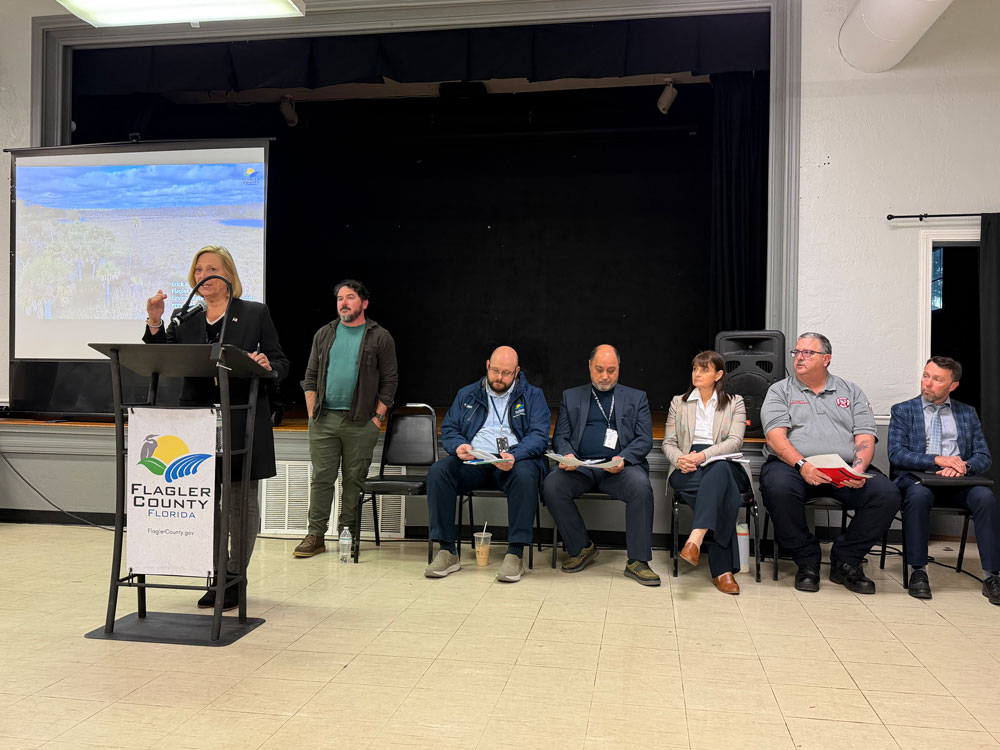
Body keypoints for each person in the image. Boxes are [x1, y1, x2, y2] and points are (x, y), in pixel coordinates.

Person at [144, 244, 289, 610]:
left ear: (228, 277)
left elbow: (279, 361)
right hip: (196, 424)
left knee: (240, 503)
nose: (202, 276)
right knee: (205, 502)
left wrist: (264, 364)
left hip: (242, 418)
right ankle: (216, 576)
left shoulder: (254, 314)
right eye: (197, 271)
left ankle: (235, 576)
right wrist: (156, 322)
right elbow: (161, 355)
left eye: (211, 269)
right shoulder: (185, 319)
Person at [759, 332, 899, 594]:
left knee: (886, 493)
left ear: (827, 359)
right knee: (777, 487)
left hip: (844, 467)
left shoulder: (851, 391)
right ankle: (807, 562)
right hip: (794, 467)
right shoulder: (780, 391)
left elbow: (865, 437)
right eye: (796, 352)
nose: (799, 357)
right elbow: (776, 438)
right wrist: (802, 465)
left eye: (807, 353)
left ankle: (846, 561)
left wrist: (857, 469)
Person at [424, 346, 550, 583]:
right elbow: (450, 428)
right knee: (439, 472)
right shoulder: (467, 394)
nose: (499, 378)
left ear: (517, 372)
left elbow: (539, 435)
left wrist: (515, 454)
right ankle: (447, 550)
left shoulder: (533, 395)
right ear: (487, 366)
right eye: (495, 371)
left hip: (512, 461)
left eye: (506, 373)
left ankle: (515, 553)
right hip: (475, 459)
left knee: (526, 476)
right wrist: (459, 445)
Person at [295, 280, 398, 558]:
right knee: (322, 478)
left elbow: (390, 381)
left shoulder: (380, 336)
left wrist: (377, 417)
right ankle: (315, 535)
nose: (343, 303)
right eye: (340, 298)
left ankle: (347, 534)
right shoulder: (324, 334)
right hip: (324, 419)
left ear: (364, 303)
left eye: (350, 297)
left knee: (354, 480)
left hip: (362, 422)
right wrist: (312, 414)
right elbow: (311, 376)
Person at [543, 344, 660, 586]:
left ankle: (638, 561)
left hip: (619, 468)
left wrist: (623, 458)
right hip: (581, 467)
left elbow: (644, 439)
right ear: (589, 367)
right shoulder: (571, 396)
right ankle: (581, 547)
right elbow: (561, 437)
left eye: (611, 370)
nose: (605, 376)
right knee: (552, 485)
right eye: (599, 370)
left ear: (619, 369)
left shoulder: (636, 397)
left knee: (640, 487)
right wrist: (568, 456)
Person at [888, 356, 1000, 603]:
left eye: (937, 379)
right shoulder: (903, 410)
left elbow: (983, 456)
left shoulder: (967, 413)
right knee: (918, 496)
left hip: (957, 480)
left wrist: (963, 466)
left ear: (953, 386)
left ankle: (992, 575)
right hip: (918, 479)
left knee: (986, 498)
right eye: (926, 376)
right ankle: (918, 571)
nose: (927, 383)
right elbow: (897, 455)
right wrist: (938, 460)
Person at [662, 350, 748, 594]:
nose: (697, 374)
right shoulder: (678, 402)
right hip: (687, 465)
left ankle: (696, 538)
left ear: (718, 375)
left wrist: (704, 456)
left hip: (724, 461)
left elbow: (735, 441)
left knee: (719, 471)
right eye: (695, 369)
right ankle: (723, 572)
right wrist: (680, 460)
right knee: (722, 495)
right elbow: (668, 443)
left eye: (704, 370)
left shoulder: (734, 402)